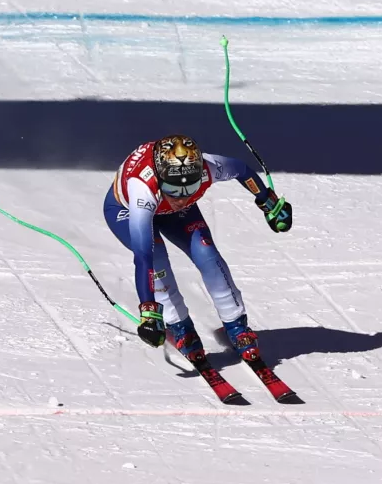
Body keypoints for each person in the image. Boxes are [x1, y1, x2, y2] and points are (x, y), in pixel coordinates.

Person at [103, 134, 292, 367]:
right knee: (157, 256)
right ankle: (179, 326)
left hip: (166, 209)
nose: (182, 199)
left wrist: (269, 203)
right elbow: (144, 258)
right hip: (127, 210)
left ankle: (236, 325)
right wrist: (149, 312)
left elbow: (242, 170)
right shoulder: (142, 189)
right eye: (175, 189)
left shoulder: (208, 167)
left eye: (190, 188)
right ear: (161, 180)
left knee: (207, 253)